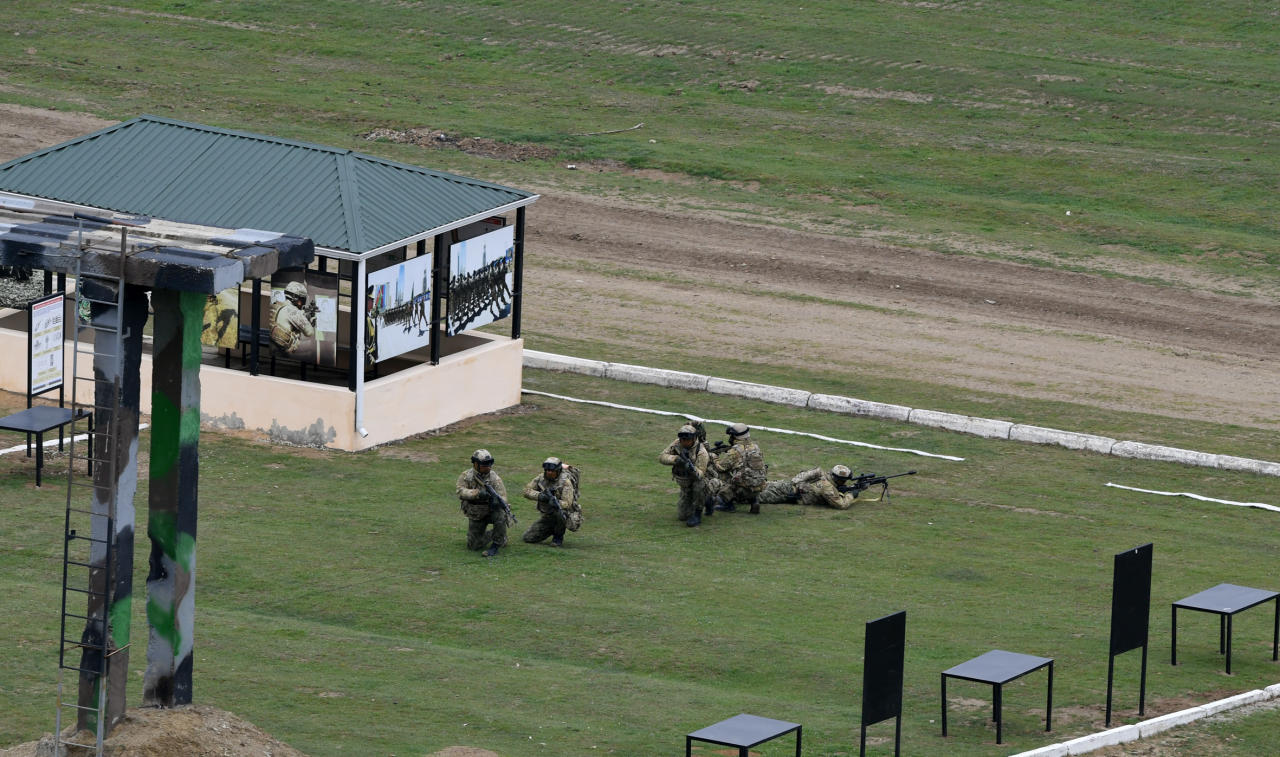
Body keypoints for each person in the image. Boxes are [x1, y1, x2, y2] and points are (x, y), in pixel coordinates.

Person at [456, 449, 511, 557]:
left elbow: (503, 497)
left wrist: (497, 501)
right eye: (484, 465)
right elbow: (460, 491)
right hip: (476, 513)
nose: (488, 467)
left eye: (490, 464)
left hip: (492, 511)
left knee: (500, 514)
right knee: (473, 546)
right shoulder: (466, 476)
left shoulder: (494, 478)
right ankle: (497, 534)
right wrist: (477, 493)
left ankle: (496, 545)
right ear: (475, 464)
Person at [705, 422, 767, 514]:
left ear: (735, 437)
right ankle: (754, 502)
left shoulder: (735, 451)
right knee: (749, 476)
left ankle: (728, 504)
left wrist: (714, 457)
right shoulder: (756, 447)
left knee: (720, 474)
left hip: (742, 489)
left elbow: (721, 467)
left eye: (731, 436)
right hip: (758, 487)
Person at [658, 424, 710, 527]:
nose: (684, 442)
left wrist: (690, 468)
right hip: (685, 483)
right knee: (682, 516)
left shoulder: (701, 452)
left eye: (687, 440)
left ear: (694, 438)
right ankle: (707, 501)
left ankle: (698, 513)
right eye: (682, 440)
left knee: (699, 485)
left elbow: (700, 474)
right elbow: (662, 457)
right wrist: (675, 459)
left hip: (699, 481)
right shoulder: (677, 443)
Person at [521, 456, 580, 547]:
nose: (549, 473)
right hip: (547, 515)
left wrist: (556, 502)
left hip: (561, 514)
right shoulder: (541, 478)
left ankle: (558, 536)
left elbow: (567, 503)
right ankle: (551, 529)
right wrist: (540, 496)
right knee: (528, 538)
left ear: (558, 471)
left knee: (560, 513)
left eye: (552, 471)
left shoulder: (565, 482)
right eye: (547, 470)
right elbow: (526, 491)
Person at [757, 464, 868, 510]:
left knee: (756, 487)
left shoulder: (820, 474)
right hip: (785, 493)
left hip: (784, 485)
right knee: (750, 496)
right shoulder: (827, 487)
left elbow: (796, 479)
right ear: (839, 480)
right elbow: (841, 504)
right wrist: (851, 494)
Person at [269, 280, 316, 358]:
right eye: (302, 298)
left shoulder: (278, 305)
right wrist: (310, 322)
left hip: (272, 346)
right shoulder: (293, 311)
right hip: (281, 352)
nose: (303, 301)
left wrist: (302, 313)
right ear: (295, 298)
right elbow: (309, 332)